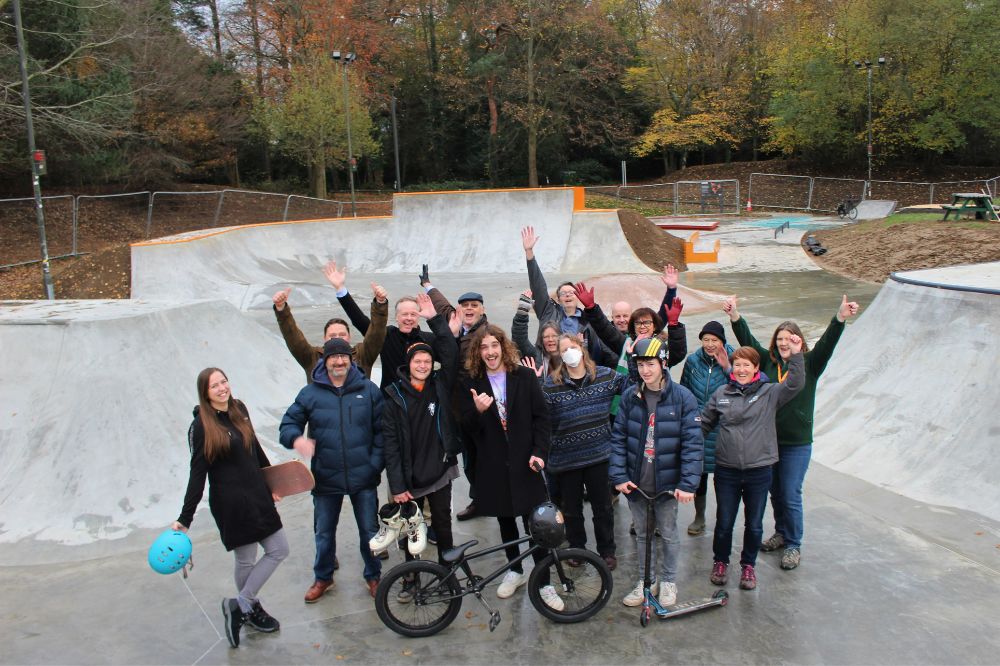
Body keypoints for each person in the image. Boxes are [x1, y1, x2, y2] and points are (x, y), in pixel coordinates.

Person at [723, 294, 860, 571]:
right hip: (770, 441)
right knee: (775, 491)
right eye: (780, 339)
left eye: (790, 338)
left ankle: (794, 544)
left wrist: (840, 317)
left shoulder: (810, 363)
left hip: (796, 443)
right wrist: (735, 315)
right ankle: (782, 532)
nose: (784, 343)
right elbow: (747, 340)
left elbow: (828, 343)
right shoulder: (769, 363)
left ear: (799, 341)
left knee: (790, 491)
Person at [173, 368, 288, 649]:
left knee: (279, 549)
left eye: (224, 382)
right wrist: (184, 518)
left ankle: (241, 604)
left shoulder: (239, 409)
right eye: (215, 386)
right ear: (205, 393)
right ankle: (249, 607)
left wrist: (272, 481)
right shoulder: (201, 426)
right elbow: (197, 473)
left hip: (258, 494)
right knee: (246, 559)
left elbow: (255, 449)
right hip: (232, 503)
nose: (222, 388)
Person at [460, 324, 561, 609]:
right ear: (478, 353)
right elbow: (466, 427)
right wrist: (478, 411)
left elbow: (542, 418)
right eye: (484, 347)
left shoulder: (525, 377)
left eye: (494, 345)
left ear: (503, 347)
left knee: (538, 525)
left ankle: (544, 582)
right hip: (494, 464)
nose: (490, 352)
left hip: (526, 462)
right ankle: (514, 571)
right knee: (506, 520)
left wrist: (541, 453)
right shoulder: (472, 381)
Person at [279, 337, 384, 601]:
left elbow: (383, 432)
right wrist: (296, 439)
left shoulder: (369, 390)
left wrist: (374, 465)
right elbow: (287, 425)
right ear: (325, 361)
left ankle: (373, 576)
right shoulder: (310, 394)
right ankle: (323, 578)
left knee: (370, 532)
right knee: (324, 533)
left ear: (351, 359)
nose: (339, 361)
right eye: (333, 357)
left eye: (343, 357)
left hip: (363, 476)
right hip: (326, 477)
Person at [699, 340, 804, 591]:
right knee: (724, 521)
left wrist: (797, 356)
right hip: (727, 470)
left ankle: (748, 565)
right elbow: (703, 424)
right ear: (731, 368)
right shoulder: (722, 394)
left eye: (746, 365)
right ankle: (721, 562)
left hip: (759, 470)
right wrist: (682, 449)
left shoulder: (769, 393)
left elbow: (795, 383)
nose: (741, 370)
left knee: (754, 523)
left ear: (756, 367)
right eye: (737, 365)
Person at [609, 338, 703, 609]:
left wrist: (687, 483)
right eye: (640, 365)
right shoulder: (630, 397)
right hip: (637, 483)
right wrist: (618, 476)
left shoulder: (683, 397)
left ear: (663, 364)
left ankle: (669, 580)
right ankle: (645, 581)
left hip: (668, 485)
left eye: (650, 364)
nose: (645, 370)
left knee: (669, 533)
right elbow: (618, 439)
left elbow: (693, 444)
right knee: (642, 535)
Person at [382, 294, 461, 598]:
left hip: (439, 467)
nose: (424, 365)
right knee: (410, 529)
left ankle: (447, 573)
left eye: (428, 361)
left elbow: (451, 354)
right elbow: (391, 445)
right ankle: (411, 577)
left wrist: (435, 320)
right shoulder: (394, 396)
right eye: (418, 361)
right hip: (410, 475)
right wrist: (398, 484)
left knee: (442, 524)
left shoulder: (439, 385)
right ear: (409, 363)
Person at [542, 334, 626, 571]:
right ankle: (577, 549)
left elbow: (632, 384)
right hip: (566, 458)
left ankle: (607, 551)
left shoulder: (605, 376)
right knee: (572, 510)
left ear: (582, 348)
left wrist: (631, 353)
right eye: (564, 349)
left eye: (573, 347)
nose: (569, 352)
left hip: (599, 455)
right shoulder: (551, 385)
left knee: (603, 508)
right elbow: (541, 419)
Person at [417, 265, 484, 522]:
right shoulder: (457, 322)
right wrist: (428, 286)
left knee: (484, 457)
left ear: (482, 310)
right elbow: (445, 308)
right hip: (460, 410)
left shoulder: (484, 335)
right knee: (469, 459)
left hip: (480, 407)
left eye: (474, 305)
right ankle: (479, 499)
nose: (468, 309)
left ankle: (489, 497)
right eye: (464, 305)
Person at [520, 226, 616, 366]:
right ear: (558, 299)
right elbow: (538, 286)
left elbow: (605, 349)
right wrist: (529, 253)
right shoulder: (548, 312)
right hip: (550, 366)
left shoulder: (588, 322)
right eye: (563, 293)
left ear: (577, 297)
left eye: (571, 292)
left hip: (579, 367)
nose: (568, 295)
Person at [271, 266, 388, 380]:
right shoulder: (311, 357)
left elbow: (376, 332)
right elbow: (292, 336)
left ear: (349, 336)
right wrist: (281, 310)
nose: (337, 338)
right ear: (324, 338)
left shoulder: (363, 355)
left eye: (342, 334)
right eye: (332, 336)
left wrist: (380, 303)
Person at [678, 321, 735, 536]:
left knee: (722, 476)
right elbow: (683, 389)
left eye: (715, 340)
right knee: (699, 473)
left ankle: (724, 518)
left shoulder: (734, 358)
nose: (710, 344)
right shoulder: (693, 361)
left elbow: (742, 386)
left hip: (724, 425)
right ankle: (699, 516)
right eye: (706, 340)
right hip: (698, 425)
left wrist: (728, 369)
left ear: (723, 341)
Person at [512, 290, 561, 380]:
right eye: (546, 337)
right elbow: (519, 340)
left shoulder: (568, 357)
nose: (550, 339)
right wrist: (522, 311)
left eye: (554, 336)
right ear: (541, 340)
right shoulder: (535, 357)